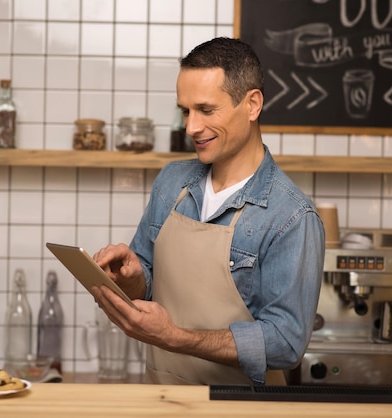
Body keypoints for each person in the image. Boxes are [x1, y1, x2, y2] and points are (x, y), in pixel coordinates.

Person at [92, 37, 325, 386]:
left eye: (206, 110)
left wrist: (175, 337)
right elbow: (150, 287)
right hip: (162, 401)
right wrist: (132, 278)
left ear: (252, 104)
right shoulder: (172, 182)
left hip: (244, 409)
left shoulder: (291, 217)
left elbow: (286, 343)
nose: (191, 127)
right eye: (185, 111)